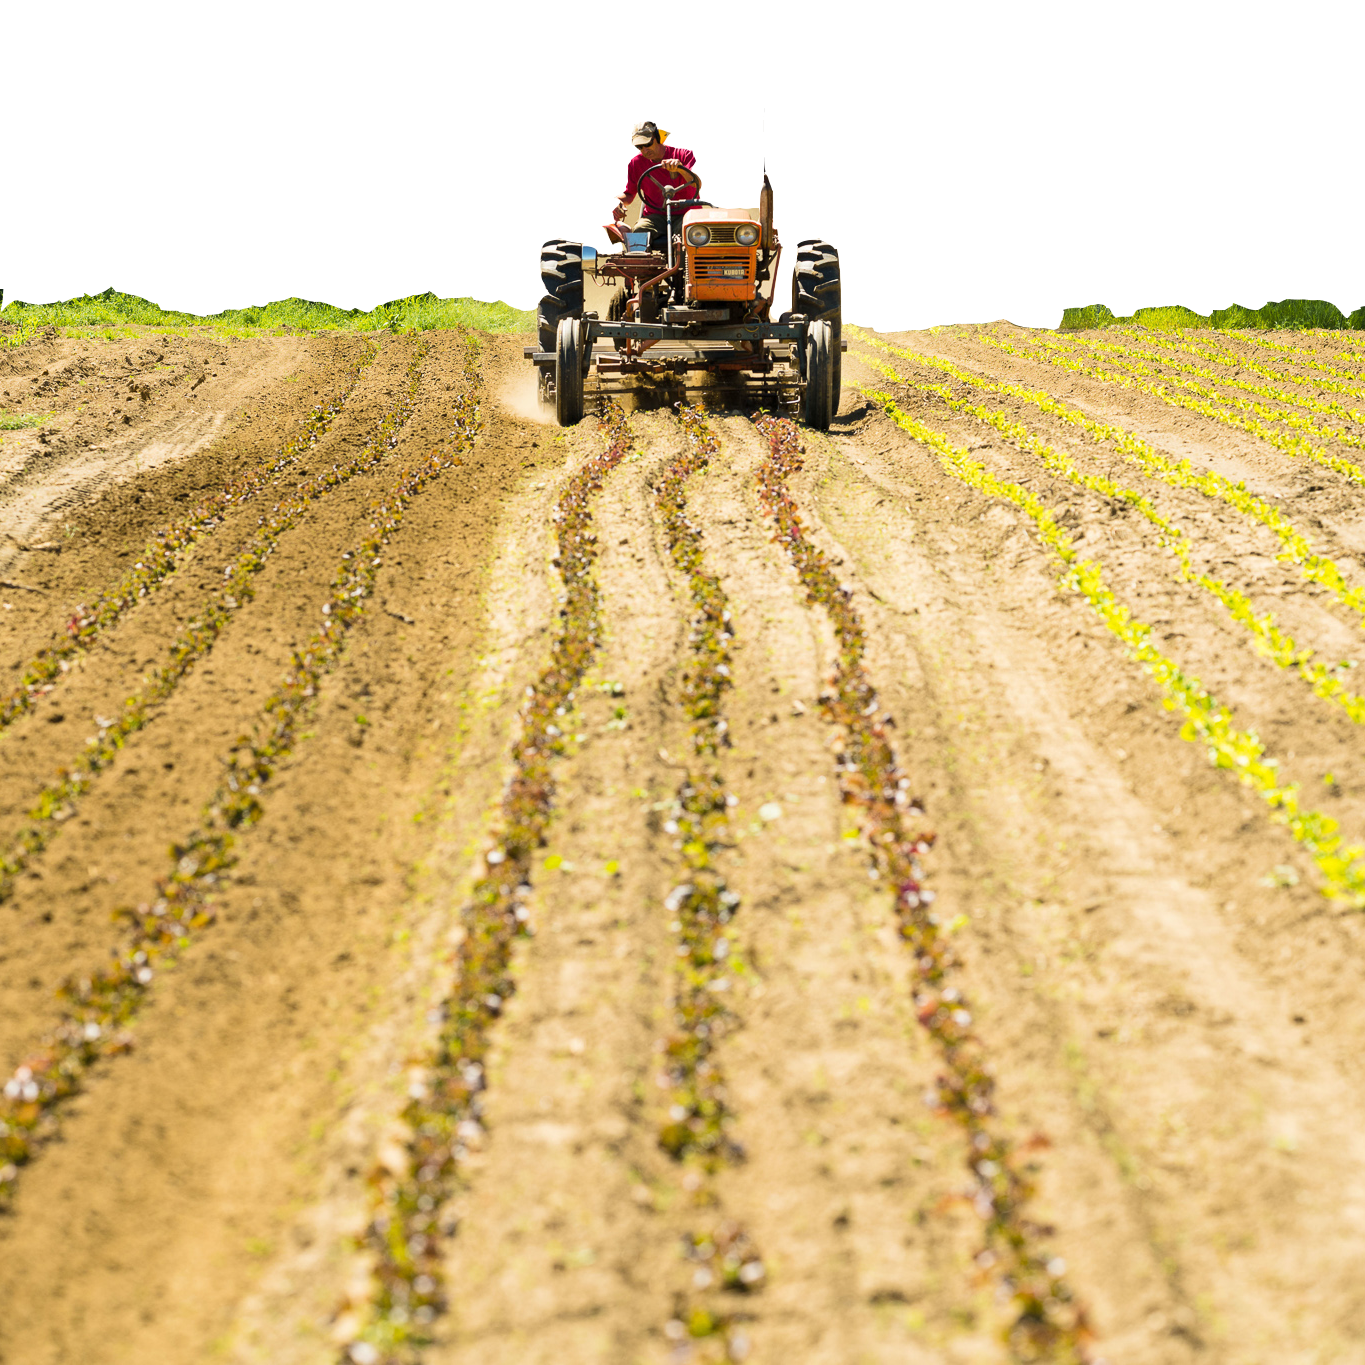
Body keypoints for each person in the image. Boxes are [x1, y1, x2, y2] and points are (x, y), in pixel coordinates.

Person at [610, 117, 705, 252]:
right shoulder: (635, 163)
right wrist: (616, 201)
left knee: (692, 233)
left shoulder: (684, 152)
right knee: (639, 231)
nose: (644, 150)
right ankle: (645, 271)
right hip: (655, 217)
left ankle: (687, 270)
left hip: (687, 213)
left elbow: (699, 183)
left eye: (647, 144)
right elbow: (628, 194)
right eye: (639, 147)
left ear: (659, 137)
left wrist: (680, 168)